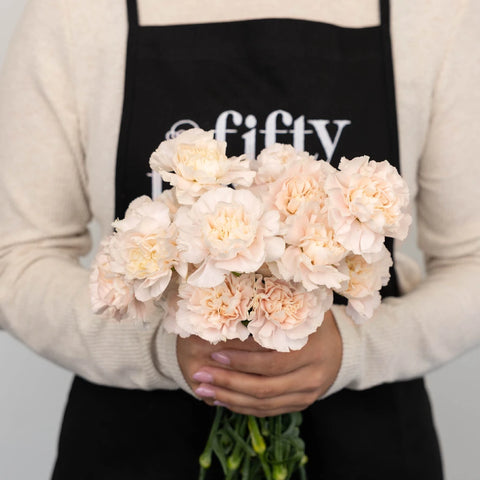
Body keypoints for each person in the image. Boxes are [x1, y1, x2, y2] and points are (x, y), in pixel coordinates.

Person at [0, 0, 479, 478]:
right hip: (133, 449)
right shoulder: (75, 13)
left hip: (370, 450)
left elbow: (471, 260)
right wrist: (163, 350)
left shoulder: (434, 14)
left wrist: (353, 349)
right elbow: (16, 258)